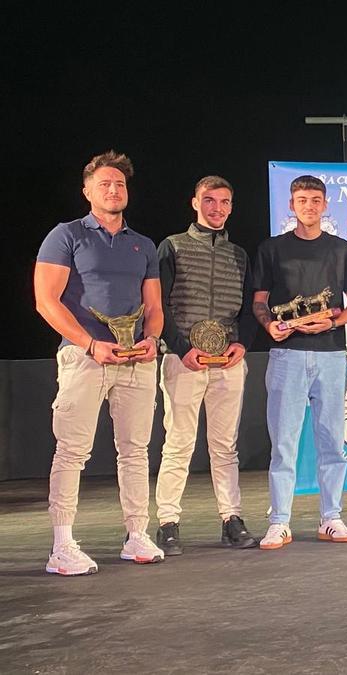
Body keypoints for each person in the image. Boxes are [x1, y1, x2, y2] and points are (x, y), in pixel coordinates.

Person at [34, 151, 165, 575]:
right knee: (72, 451)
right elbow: (45, 301)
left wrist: (152, 340)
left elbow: (154, 307)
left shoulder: (142, 245)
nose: (113, 190)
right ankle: (62, 546)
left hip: (135, 361)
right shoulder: (66, 236)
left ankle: (137, 534)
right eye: (105, 184)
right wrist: (91, 344)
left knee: (136, 450)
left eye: (120, 184)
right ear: (87, 191)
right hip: (84, 358)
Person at [251, 175, 347, 549]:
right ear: (292, 205)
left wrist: (332, 322)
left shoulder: (343, 249)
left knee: (332, 440)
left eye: (316, 200)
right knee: (283, 443)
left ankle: (331, 517)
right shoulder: (272, 249)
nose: (309, 206)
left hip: (331, 354)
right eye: (302, 200)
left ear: (325, 204)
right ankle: (279, 521)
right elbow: (259, 301)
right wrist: (269, 326)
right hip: (287, 354)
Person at [153, 176, 257, 555]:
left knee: (225, 446)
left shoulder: (239, 255)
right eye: (209, 200)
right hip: (184, 360)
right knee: (179, 442)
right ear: (195, 203)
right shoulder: (173, 246)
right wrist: (181, 348)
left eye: (224, 202)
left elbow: (249, 307)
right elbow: (159, 304)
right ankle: (168, 522)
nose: (217, 208)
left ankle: (231, 518)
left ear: (231, 207)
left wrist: (243, 343)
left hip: (227, 361)